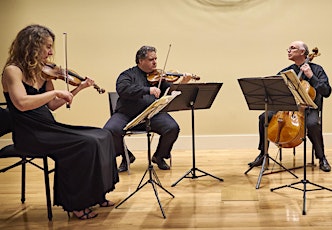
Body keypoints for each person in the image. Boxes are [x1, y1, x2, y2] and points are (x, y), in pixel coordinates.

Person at [1, 24, 119, 220]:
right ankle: (76, 204)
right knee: (85, 143)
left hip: (49, 126)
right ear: (32, 45)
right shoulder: (13, 71)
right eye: (47, 46)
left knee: (103, 135)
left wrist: (78, 89)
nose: (51, 52)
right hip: (30, 134)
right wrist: (54, 91)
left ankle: (98, 193)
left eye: (51, 47)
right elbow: (21, 103)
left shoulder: (44, 71)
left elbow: (53, 105)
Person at [248, 40, 332, 172]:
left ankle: (321, 158)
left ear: (302, 52)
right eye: (289, 48)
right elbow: (273, 88)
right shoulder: (287, 71)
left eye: (292, 48)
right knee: (263, 117)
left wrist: (311, 75)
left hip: (309, 108)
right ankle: (263, 155)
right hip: (286, 108)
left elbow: (326, 91)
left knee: (313, 124)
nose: (288, 50)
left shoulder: (317, 70)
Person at [103, 46, 191, 171]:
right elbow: (123, 89)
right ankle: (126, 155)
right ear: (140, 61)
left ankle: (159, 156)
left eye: (156, 59)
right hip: (127, 114)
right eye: (151, 59)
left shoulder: (159, 77)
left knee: (172, 128)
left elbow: (171, 92)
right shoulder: (127, 75)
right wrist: (147, 90)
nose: (155, 62)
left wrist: (183, 82)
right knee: (109, 130)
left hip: (151, 115)